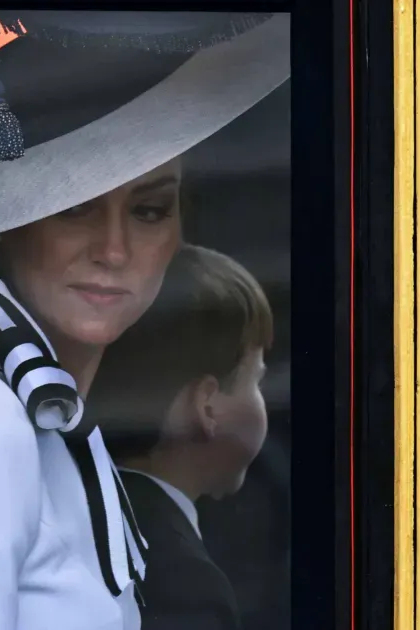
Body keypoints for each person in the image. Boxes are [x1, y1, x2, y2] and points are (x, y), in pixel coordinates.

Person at [0, 14, 290, 630]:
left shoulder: (54, 424)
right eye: (75, 208)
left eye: (150, 209)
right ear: (9, 224)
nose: (113, 249)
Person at [88, 244, 274, 630]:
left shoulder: (87, 511)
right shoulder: (186, 583)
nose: (262, 399)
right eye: (255, 380)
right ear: (207, 406)